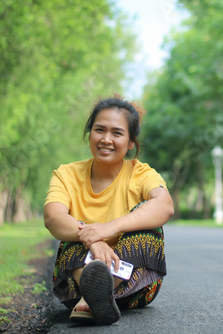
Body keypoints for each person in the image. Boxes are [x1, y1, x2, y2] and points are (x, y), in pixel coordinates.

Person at [44, 94, 174, 326]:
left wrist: (105, 229)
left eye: (117, 133)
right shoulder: (66, 174)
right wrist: (92, 240)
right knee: (71, 233)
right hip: (74, 284)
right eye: (99, 130)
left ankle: (93, 297)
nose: (106, 139)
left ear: (131, 142)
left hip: (136, 288)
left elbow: (165, 205)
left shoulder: (141, 173)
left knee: (149, 227)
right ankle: (94, 292)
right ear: (89, 134)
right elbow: (53, 217)